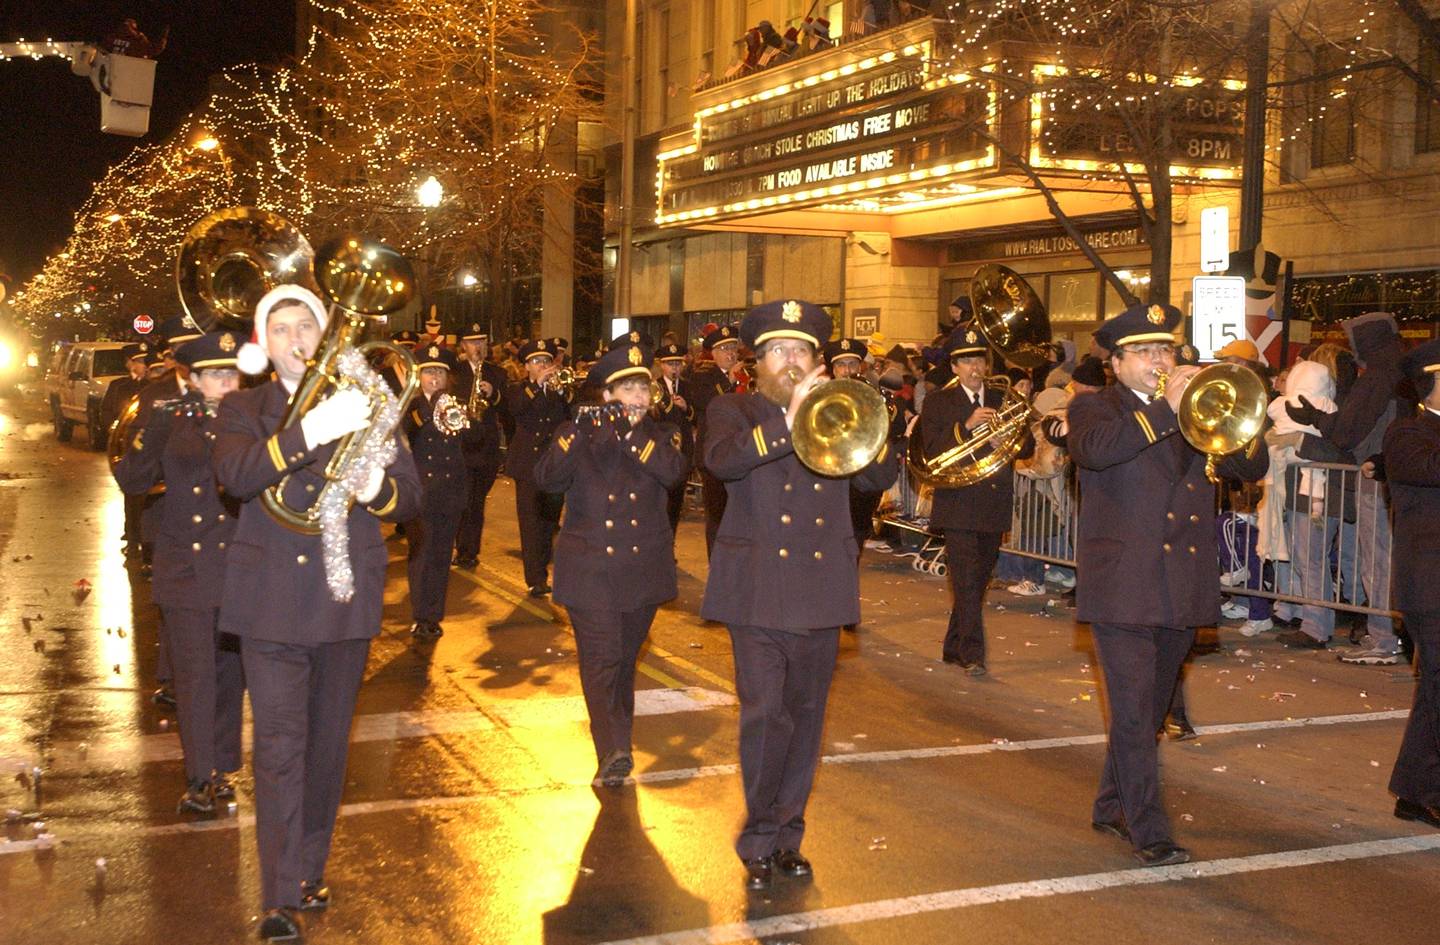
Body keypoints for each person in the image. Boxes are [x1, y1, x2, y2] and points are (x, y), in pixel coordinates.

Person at [212, 286, 420, 941]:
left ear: (327, 335)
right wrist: (310, 431)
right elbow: (239, 475)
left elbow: (409, 498)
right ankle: (279, 896)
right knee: (277, 746)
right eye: (281, 328)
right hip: (269, 601)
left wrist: (374, 487)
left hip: (341, 596)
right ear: (263, 344)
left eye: (307, 325)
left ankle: (307, 868)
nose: (296, 337)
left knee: (328, 748)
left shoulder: (370, 402)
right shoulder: (243, 407)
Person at [700, 299, 898, 891]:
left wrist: (867, 421)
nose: (792, 361)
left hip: (819, 587)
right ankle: (759, 833)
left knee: (807, 719)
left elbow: (877, 478)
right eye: (780, 351)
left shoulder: (833, 411)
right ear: (755, 362)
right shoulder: (731, 409)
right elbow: (722, 463)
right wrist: (788, 421)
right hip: (756, 590)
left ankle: (790, 834)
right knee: (767, 716)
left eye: (803, 351)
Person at [1068, 302, 1267, 867]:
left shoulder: (1195, 412)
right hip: (1124, 584)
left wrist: (1238, 424)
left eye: (1167, 351)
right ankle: (1149, 829)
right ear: (1117, 363)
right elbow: (1095, 453)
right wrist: (1164, 408)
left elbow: (1247, 471)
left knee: (1151, 711)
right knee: (1133, 712)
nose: (1161, 361)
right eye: (1147, 352)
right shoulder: (1095, 409)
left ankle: (1111, 804)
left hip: (1181, 583)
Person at [534, 339, 689, 786]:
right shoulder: (578, 432)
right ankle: (613, 749)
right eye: (627, 390)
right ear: (606, 395)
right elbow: (546, 480)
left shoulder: (658, 434)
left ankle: (618, 737)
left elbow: (674, 472)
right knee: (601, 659)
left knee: (623, 660)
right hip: (591, 572)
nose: (638, 398)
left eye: (643, 389)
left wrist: (632, 433)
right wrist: (580, 431)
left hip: (642, 570)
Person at [113, 331, 246, 815]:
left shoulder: (250, 416)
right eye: (214, 375)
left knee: (231, 672)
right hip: (185, 565)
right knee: (194, 674)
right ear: (192, 378)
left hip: (237, 564)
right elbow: (132, 477)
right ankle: (200, 776)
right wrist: (152, 426)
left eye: (230, 374)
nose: (224, 383)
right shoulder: (170, 416)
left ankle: (224, 767)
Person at [1285, 313, 1401, 663]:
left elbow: (1348, 431)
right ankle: (1388, 633)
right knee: (1382, 559)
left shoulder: (1379, 378)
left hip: (1375, 476)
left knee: (1377, 560)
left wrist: (1316, 419)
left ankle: (1383, 638)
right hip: (1393, 475)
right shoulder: (1399, 372)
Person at [921, 324, 1034, 675]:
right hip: (957, 504)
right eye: (966, 361)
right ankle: (974, 655)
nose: (974, 368)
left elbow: (1027, 445)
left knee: (978, 581)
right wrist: (966, 427)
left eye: (978, 360)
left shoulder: (1003, 399)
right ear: (954, 367)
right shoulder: (939, 402)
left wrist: (1008, 442)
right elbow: (931, 451)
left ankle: (954, 646)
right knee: (966, 581)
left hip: (993, 503)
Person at [1382, 338, 1440, 830]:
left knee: (1433, 690)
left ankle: (1415, 789)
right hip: (1431, 585)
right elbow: (1429, 471)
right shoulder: (1407, 434)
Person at [403, 343, 477, 639]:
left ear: (448, 378)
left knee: (441, 556)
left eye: (439, 372)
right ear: (419, 376)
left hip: (450, 490)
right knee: (421, 555)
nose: (434, 377)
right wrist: (425, 411)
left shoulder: (457, 405)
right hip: (421, 491)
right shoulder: (410, 404)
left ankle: (434, 615)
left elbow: (476, 439)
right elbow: (401, 433)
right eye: (428, 371)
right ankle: (421, 614)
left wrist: (468, 417)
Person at [504, 337, 570, 596]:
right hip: (528, 466)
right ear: (527, 367)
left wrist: (564, 393)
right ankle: (535, 578)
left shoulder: (559, 390)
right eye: (537, 362)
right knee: (530, 523)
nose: (543, 365)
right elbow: (516, 410)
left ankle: (543, 568)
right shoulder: (518, 389)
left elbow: (572, 415)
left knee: (549, 522)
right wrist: (537, 387)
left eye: (546, 361)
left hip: (553, 465)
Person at [825, 338, 886, 562]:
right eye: (841, 365)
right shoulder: (820, 397)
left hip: (860, 486)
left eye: (852, 364)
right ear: (833, 370)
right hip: (827, 484)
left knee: (854, 549)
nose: (847, 370)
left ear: (860, 367)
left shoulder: (872, 397)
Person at [452, 324, 507, 568]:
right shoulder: (454, 372)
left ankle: (470, 550)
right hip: (462, 445)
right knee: (463, 501)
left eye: (482, 342)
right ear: (463, 346)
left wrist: (494, 394)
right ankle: (464, 550)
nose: (478, 347)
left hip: (487, 447)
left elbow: (507, 408)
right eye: (473, 342)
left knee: (477, 502)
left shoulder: (497, 373)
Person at [685, 325, 743, 557]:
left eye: (733, 348)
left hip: (740, 453)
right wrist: (730, 382)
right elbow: (708, 406)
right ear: (714, 353)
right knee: (717, 515)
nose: (731, 353)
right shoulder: (703, 378)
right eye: (725, 349)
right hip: (714, 456)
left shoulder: (746, 375)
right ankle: (716, 564)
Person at [102, 343, 151, 557]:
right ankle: (131, 536)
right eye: (139, 361)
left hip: (149, 448)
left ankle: (146, 537)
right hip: (128, 448)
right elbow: (106, 413)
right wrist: (116, 433)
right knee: (131, 494)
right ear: (129, 363)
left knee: (148, 496)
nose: (143, 366)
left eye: (145, 362)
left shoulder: (153, 387)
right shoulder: (118, 387)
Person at [653, 341, 695, 533]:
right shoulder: (655, 388)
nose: (675, 368)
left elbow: (696, 417)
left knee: (676, 501)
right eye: (671, 364)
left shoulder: (688, 386)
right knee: (659, 501)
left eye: (678, 364)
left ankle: (670, 544)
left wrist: (686, 408)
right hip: (661, 450)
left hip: (682, 450)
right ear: (662, 365)